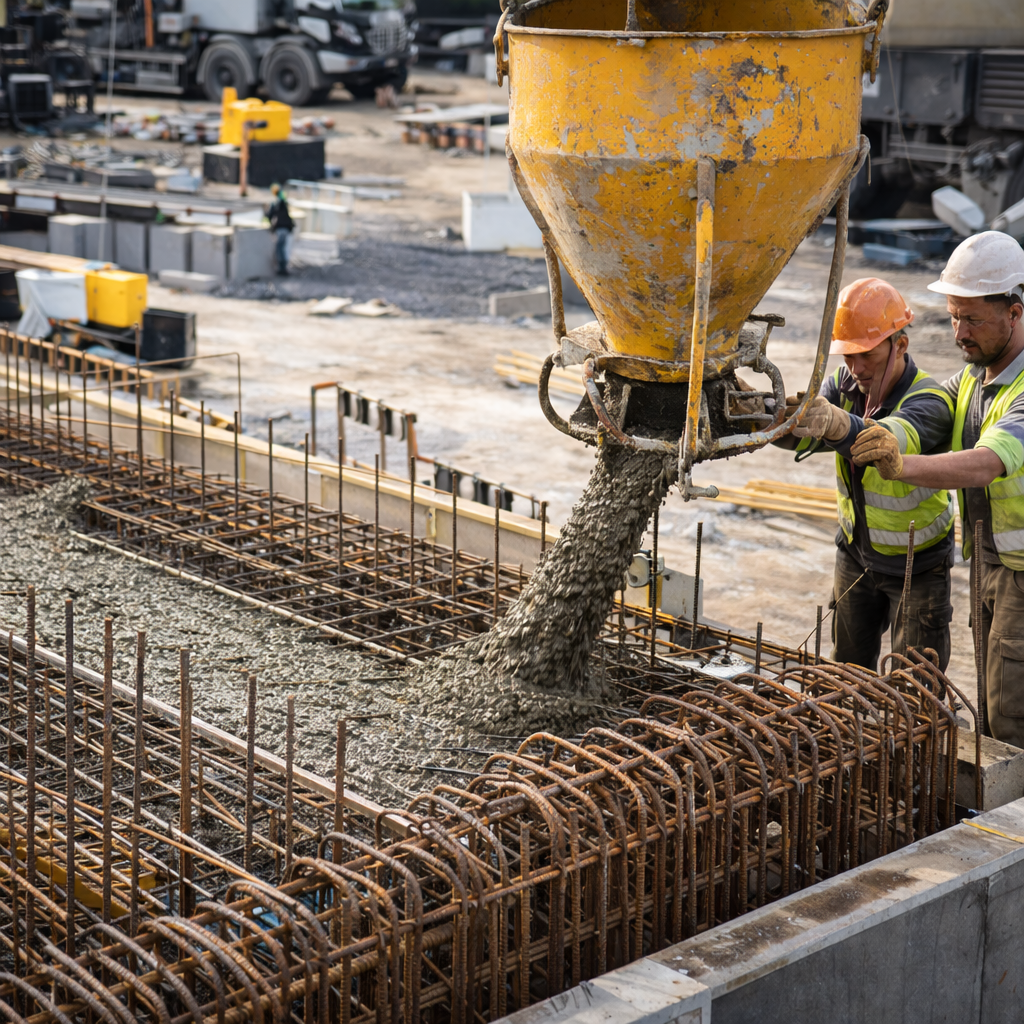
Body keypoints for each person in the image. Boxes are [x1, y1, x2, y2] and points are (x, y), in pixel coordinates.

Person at [851, 232, 1024, 745]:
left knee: (1012, 717)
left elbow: (986, 463)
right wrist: (879, 432)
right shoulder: (976, 376)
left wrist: (899, 465)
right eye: (953, 317)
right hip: (992, 563)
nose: (959, 333)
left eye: (972, 319)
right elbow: (928, 411)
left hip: (1021, 574)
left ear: (1014, 313)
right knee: (992, 706)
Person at [783, 277, 955, 671]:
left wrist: (838, 424)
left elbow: (889, 439)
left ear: (900, 345)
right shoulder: (844, 385)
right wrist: (764, 416)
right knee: (846, 674)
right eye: (847, 356)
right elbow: (801, 434)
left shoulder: (930, 400)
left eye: (866, 355)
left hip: (917, 566)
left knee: (913, 685)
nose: (856, 368)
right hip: (855, 556)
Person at [267, 183, 294, 276]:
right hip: (286, 228)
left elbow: (270, 215)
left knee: (280, 248)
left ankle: (282, 267)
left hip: (280, 228)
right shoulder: (283, 202)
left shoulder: (275, 203)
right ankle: (283, 267)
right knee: (283, 247)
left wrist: (270, 222)